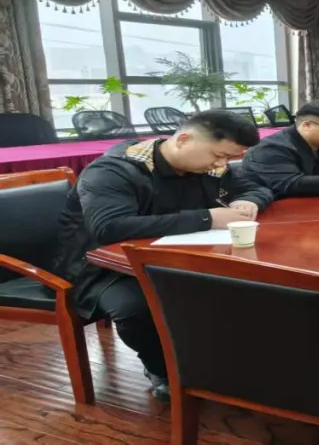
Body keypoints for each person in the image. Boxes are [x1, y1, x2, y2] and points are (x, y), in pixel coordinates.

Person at [49, 110, 274, 401]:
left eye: (228, 158)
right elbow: (109, 228)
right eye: (218, 155)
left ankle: (218, 359)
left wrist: (249, 200)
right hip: (100, 268)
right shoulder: (113, 171)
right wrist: (207, 218)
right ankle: (162, 368)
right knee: (137, 306)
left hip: (169, 257)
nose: (221, 165)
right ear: (183, 140)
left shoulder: (209, 167)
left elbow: (256, 187)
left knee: (243, 283)